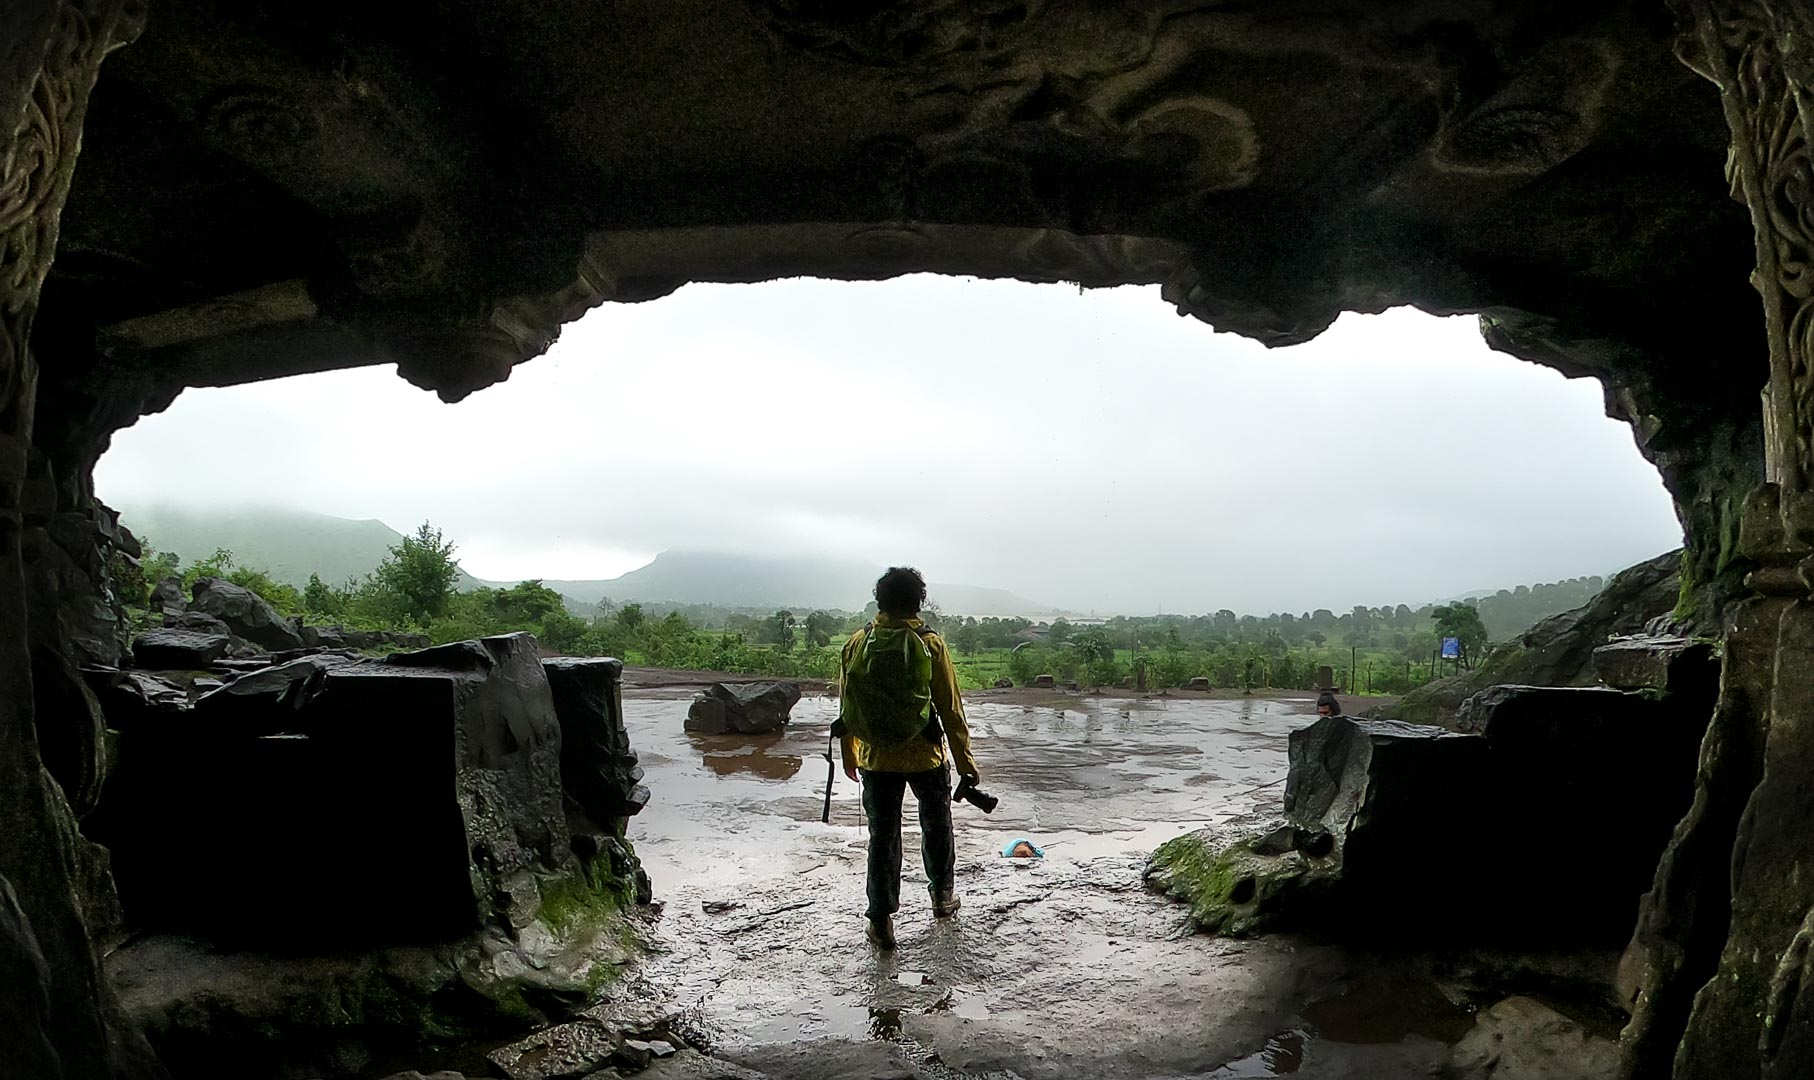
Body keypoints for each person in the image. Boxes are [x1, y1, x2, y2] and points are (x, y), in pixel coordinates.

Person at [838, 566, 980, 950]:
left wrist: (849, 753)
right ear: (918, 601)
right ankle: (942, 897)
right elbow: (950, 708)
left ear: (879, 601)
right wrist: (966, 766)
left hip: (875, 758)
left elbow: (847, 705)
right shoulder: (930, 643)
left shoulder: (857, 641)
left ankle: (881, 921)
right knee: (936, 825)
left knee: (882, 836)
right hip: (925, 756)